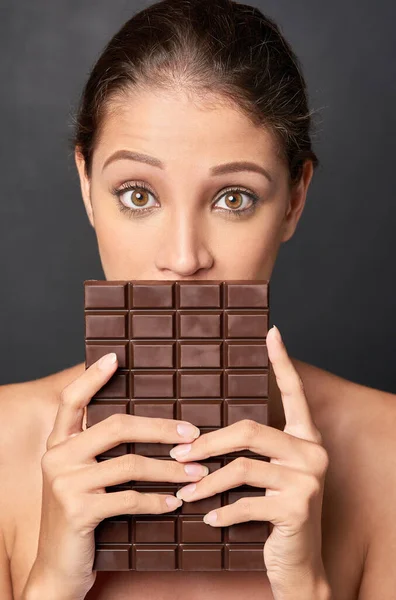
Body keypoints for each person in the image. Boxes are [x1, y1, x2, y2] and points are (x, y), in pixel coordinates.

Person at [0, 0, 394, 598]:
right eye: (137, 194)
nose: (184, 258)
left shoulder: (387, 455)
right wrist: (51, 582)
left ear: (293, 200)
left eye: (233, 198)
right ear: (86, 186)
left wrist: (309, 586)